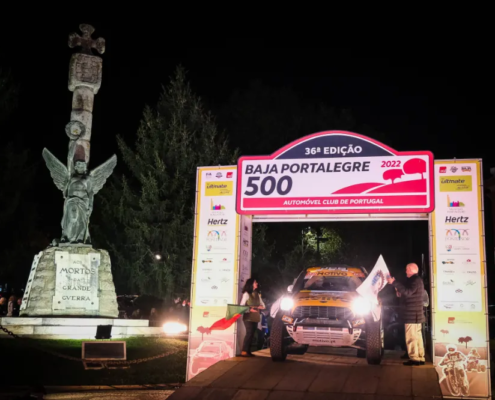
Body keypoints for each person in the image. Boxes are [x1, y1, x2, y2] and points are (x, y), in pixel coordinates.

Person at [387, 263, 425, 366]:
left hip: (412, 315)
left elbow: (408, 292)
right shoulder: (416, 280)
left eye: (407, 269)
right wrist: (398, 289)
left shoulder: (414, 280)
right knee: (417, 337)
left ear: (411, 270)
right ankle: (420, 357)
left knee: (411, 337)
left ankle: (414, 359)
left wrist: (394, 283)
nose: (406, 271)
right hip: (416, 315)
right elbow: (408, 293)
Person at [239, 278, 265, 357]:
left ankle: (248, 351)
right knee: (249, 333)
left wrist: (258, 307)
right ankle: (244, 351)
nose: (257, 283)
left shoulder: (257, 294)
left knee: (252, 333)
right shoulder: (246, 294)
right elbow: (241, 306)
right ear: (251, 284)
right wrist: (250, 309)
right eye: (255, 282)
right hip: (248, 317)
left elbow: (263, 306)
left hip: (255, 317)